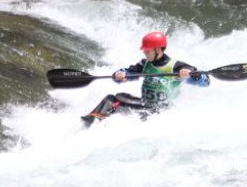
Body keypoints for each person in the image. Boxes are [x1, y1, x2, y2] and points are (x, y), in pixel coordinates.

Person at [80, 31, 211, 127]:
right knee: (114, 98)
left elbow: (205, 81)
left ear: (158, 50)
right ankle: (93, 119)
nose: (145, 53)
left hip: (161, 110)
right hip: (145, 104)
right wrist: (120, 74)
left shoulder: (177, 67)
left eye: (147, 51)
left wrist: (193, 75)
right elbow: (129, 72)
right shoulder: (145, 64)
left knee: (125, 106)